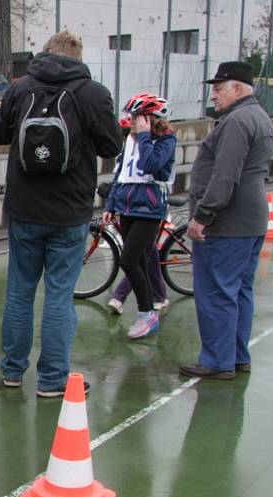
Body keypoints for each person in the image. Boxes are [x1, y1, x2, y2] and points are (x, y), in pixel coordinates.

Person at [0, 31, 122, 396]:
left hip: (25, 208)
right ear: (78, 58)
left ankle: (12, 371)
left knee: (19, 292)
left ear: (46, 53)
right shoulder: (92, 93)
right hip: (69, 211)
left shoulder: (21, 88)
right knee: (60, 296)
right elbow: (113, 144)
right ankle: (52, 380)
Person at [179, 61, 273, 380]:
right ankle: (236, 356)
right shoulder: (260, 117)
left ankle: (217, 361)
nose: (214, 96)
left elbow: (225, 176)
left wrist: (202, 217)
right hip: (250, 220)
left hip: (226, 223)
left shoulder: (236, 121)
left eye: (219, 89)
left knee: (217, 293)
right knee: (240, 291)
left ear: (238, 88)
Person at [102, 93, 176, 339]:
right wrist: (110, 206)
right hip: (127, 207)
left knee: (128, 260)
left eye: (136, 117)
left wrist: (145, 136)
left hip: (149, 209)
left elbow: (150, 165)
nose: (131, 121)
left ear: (151, 118)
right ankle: (150, 308)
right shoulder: (131, 140)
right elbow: (121, 174)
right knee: (142, 261)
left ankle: (147, 313)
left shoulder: (165, 141)